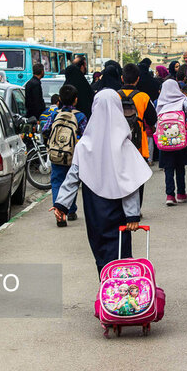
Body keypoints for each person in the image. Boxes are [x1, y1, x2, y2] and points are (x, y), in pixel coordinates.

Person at [51, 89, 152, 274]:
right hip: (119, 212)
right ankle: (119, 294)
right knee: (122, 255)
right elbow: (130, 185)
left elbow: (72, 177)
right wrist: (132, 215)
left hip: (95, 211)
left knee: (101, 254)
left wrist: (61, 204)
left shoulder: (84, 146)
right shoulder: (125, 146)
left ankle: (107, 289)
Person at [42, 85, 87, 227]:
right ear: (75, 100)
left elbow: (45, 130)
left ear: (60, 99)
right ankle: (71, 210)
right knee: (71, 181)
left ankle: (59, 214)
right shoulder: (80, 116)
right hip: (73, 155)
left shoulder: (55, 114)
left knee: (57, 183)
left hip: (56, 155)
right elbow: (86, 136)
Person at [156, 79, 187, 206]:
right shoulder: (183, 100)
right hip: (180, 140)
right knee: (180, 167)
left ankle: (170, 195)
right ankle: (181, 194)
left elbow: (156, 121)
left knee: (168, 168)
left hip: (165, 142)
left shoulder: (160, 102)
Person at [118, 63, 157, 165]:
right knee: (138, 177)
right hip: (139, 143)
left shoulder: (115, 96)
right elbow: (152, 119)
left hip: (118, 142)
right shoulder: (143, 97)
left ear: (122, 78)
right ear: (138, 79)